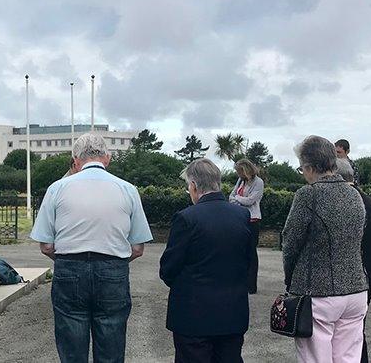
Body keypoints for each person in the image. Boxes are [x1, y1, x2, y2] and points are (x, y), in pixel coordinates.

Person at [30, 132, 153, 363]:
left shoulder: (57, 188)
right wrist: (113, 261)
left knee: (71, 348)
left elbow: (46, 246)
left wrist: (68, 259)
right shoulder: (128, 189)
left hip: (69, 267)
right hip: (113, 268)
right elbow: (137, 248)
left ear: (75, 160)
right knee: (112, 344)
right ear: (107, 158)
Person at [160, 158, 255, 363]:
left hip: (193, 315)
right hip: (232, 312)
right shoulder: (241, 215)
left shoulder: (186, 218)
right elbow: (249, 262)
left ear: (193, 185)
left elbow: (168, 269)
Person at [283, 136, 368, 363]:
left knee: (316, 359)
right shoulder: (355, 195)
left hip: (320, 293)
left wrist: (290, 280)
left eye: (302, 168)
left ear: (309, 167)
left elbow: (290, 243)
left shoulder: (308, 194)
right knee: (348, 359)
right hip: (355, 289)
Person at [337, 158, 371, 363]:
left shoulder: (350, 202)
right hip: (367, 273)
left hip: (352, 276)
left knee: (350, 337)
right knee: (356, 334)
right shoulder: (367, 200)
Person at [229, 158, 264, 294]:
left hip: (252, 220)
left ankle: (251, 285)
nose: (238, 174)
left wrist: (237, 199)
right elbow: (231, 196)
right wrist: (238, 199)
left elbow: (251, 201)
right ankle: (240, 281)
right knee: (239, 251)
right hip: (239, 218)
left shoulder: (258, 182)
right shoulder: (241, 181)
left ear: (246, 170)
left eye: (239, 171)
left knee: (251, 252)